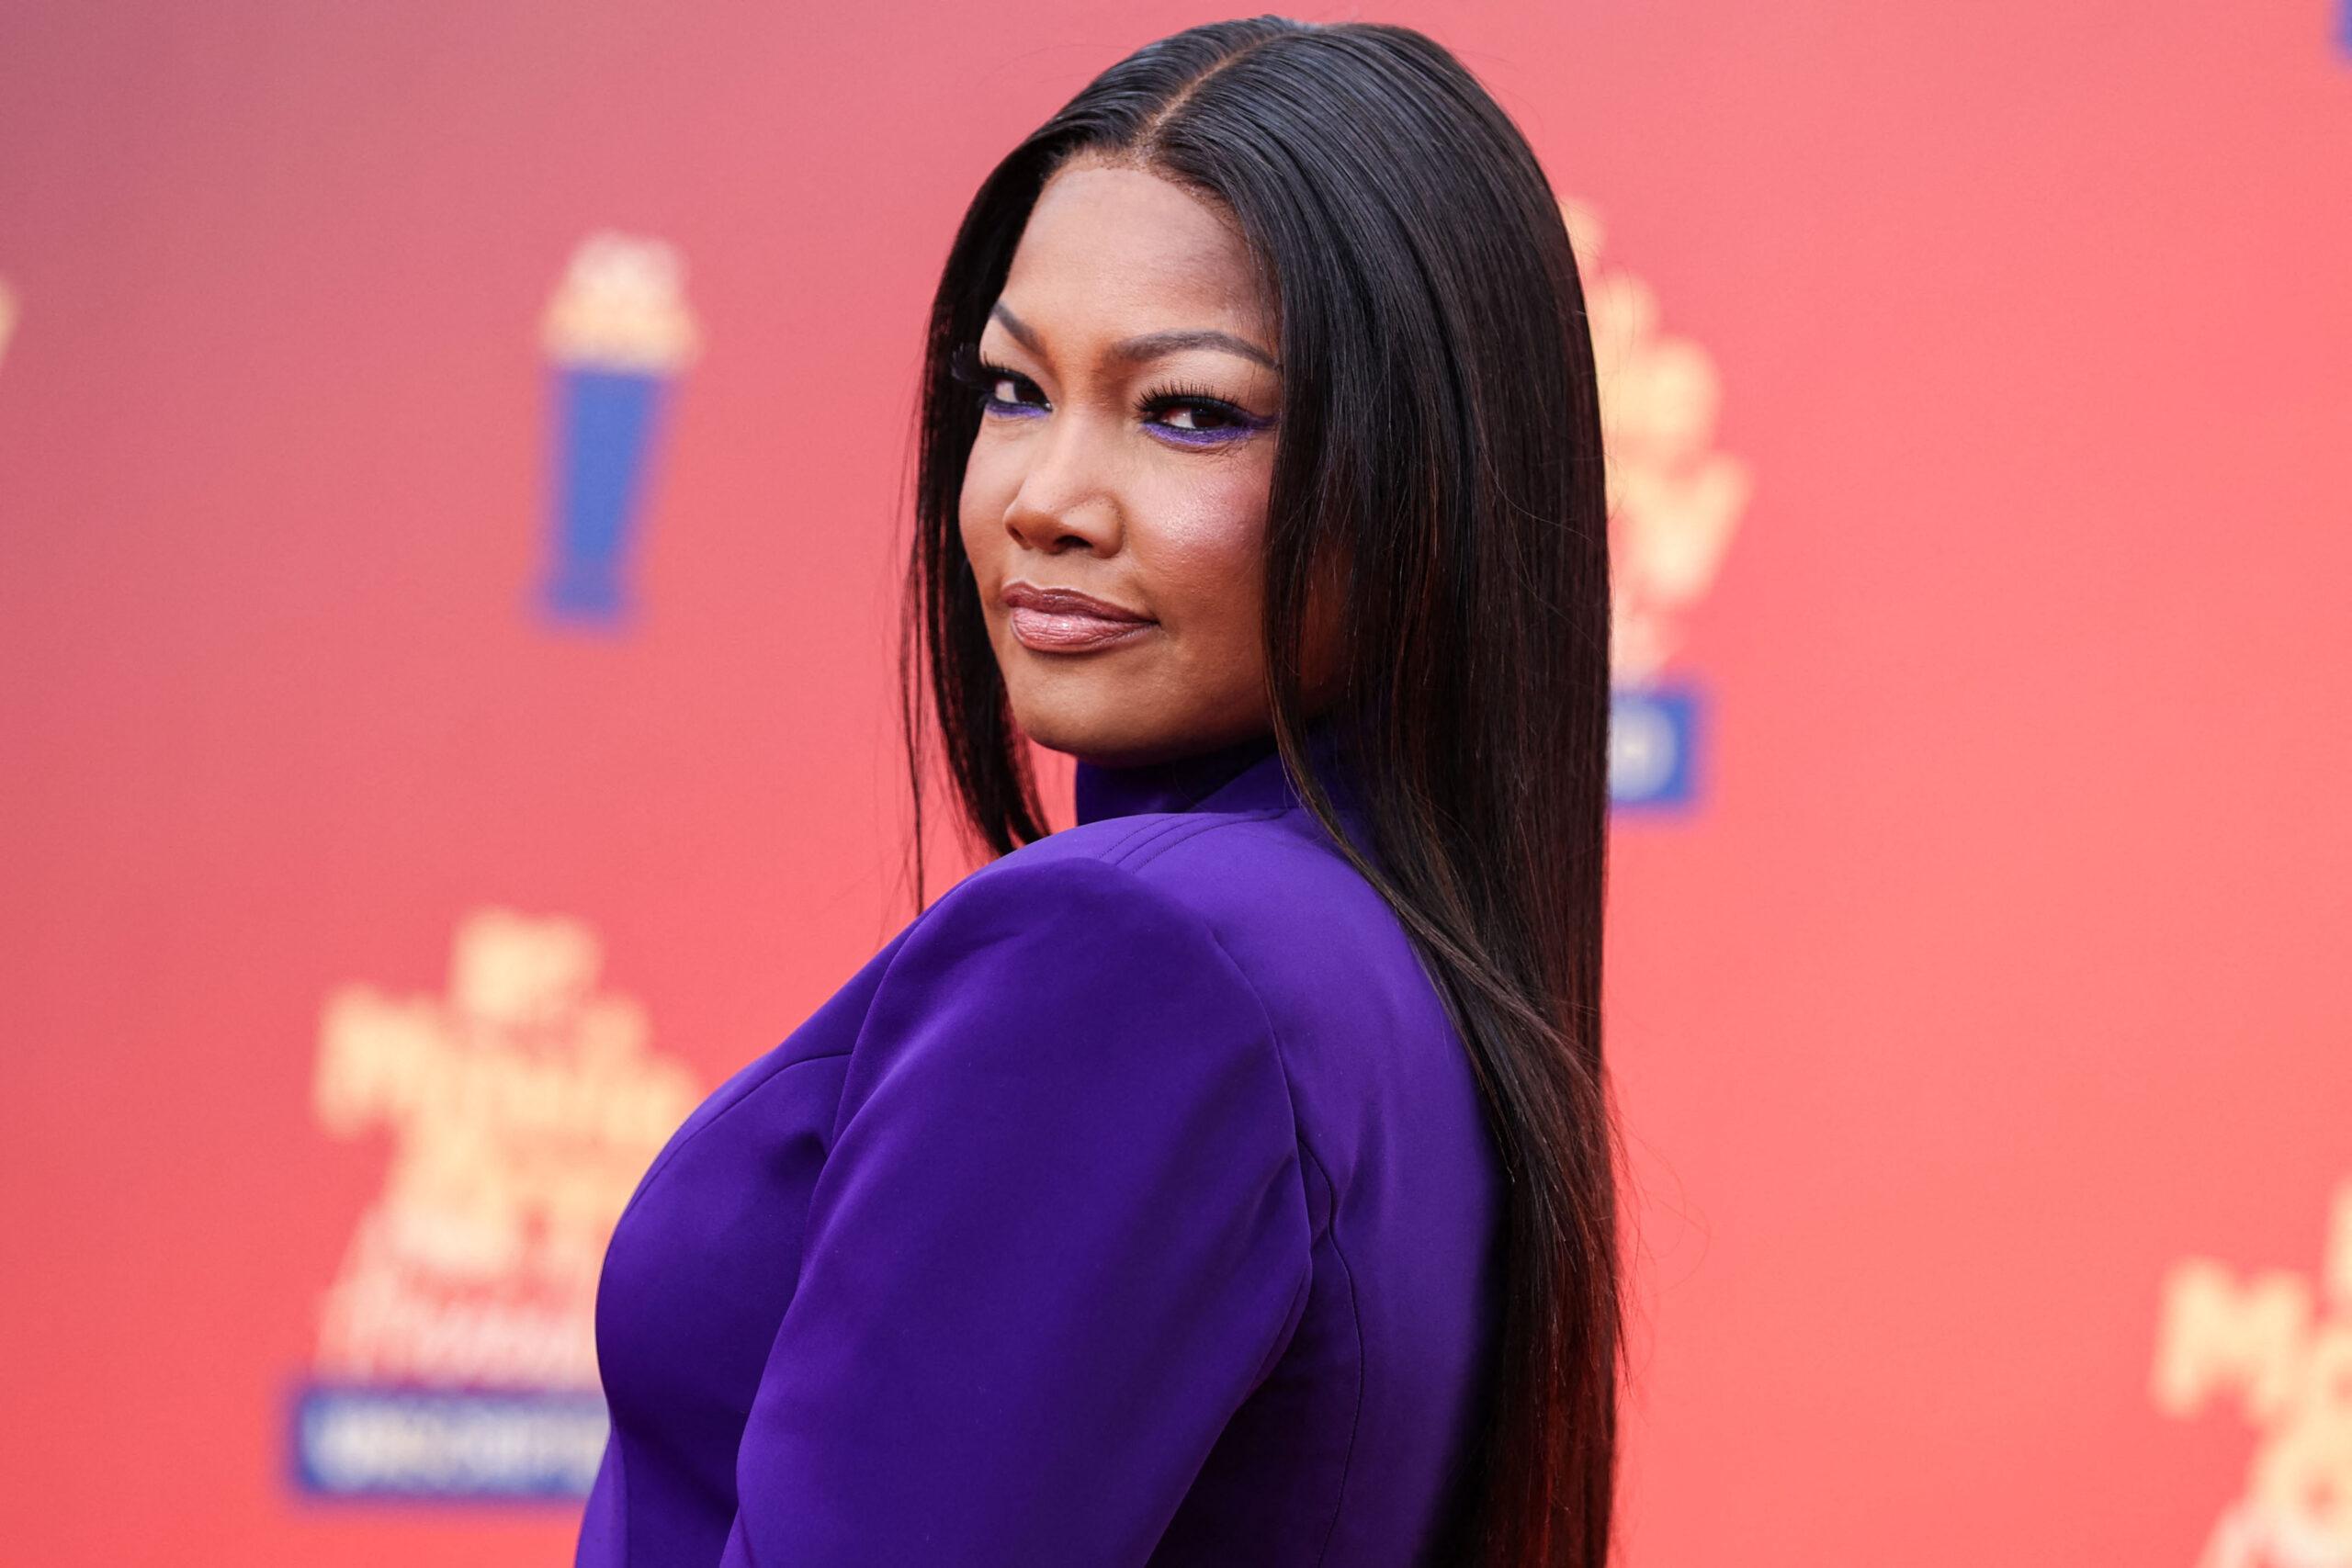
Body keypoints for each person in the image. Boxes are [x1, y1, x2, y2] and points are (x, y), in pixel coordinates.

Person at [574, 16, 1624, 1567]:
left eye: (1188, 411)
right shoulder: (1384, 964)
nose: (1044, 501)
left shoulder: (1136, 960)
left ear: (1424, 471)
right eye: (1011, 391)